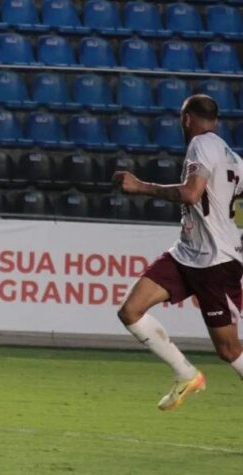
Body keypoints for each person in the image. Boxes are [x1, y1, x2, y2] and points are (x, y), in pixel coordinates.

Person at [114, 94, 243, 411]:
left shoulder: (201, 145)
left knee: (229, 350)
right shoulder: (235, 160)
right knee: (130, 311)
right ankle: (185, 373)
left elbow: (190, 193)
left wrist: (140, 186)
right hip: (187, 253)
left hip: (215, 262)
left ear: (186, 119)